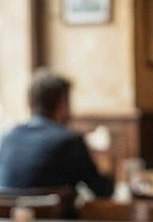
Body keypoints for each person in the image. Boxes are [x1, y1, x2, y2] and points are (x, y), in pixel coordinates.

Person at [0, 68, 114, 208]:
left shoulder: (7, 138)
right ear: (62, 102)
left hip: (9, 220)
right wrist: (106, 162)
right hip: (58, 221)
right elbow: (103, 192)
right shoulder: (70, 141)